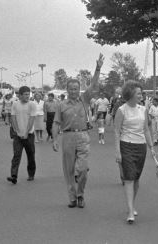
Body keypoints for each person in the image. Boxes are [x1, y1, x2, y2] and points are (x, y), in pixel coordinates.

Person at [52, 53, 104, 209]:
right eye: (71, 89)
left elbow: (93, 84)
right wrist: (55, 139)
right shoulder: (61, 105)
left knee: (82, 169)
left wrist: (97, 68)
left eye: (76, 88)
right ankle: (73, 198)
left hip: (82, 136)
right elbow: (56, 123)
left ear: (79, 89)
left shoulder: (85, 100)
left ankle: (81, 194)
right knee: (68, 170)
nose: (74, 91)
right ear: (67, 90)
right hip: (67, 137)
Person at [114, 81, 155, 224]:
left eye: (141, 93)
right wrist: (118, 152)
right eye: (138, 93)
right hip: (126, 145)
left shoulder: (143, 109)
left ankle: (131, 203)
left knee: (136, 178)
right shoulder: (121, 110)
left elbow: (145, 129)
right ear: (130, 94)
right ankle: (130, 211)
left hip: (141, 147)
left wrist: (151, 146)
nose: (141, 95)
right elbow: (117, 132)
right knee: (129, 178)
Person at [6, 86, 37, 184]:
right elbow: (13, 117)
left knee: (30, 155)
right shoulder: (15, 104)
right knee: (16, 155)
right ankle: (13, 175)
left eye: (29, 94)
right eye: (25, 94)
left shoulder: (32, 104)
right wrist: (16, 130)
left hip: (29, 135)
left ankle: (31, 174)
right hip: (18, 136)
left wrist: (26, 133)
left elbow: (31, 120)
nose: (27, 96)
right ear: (20, 95)